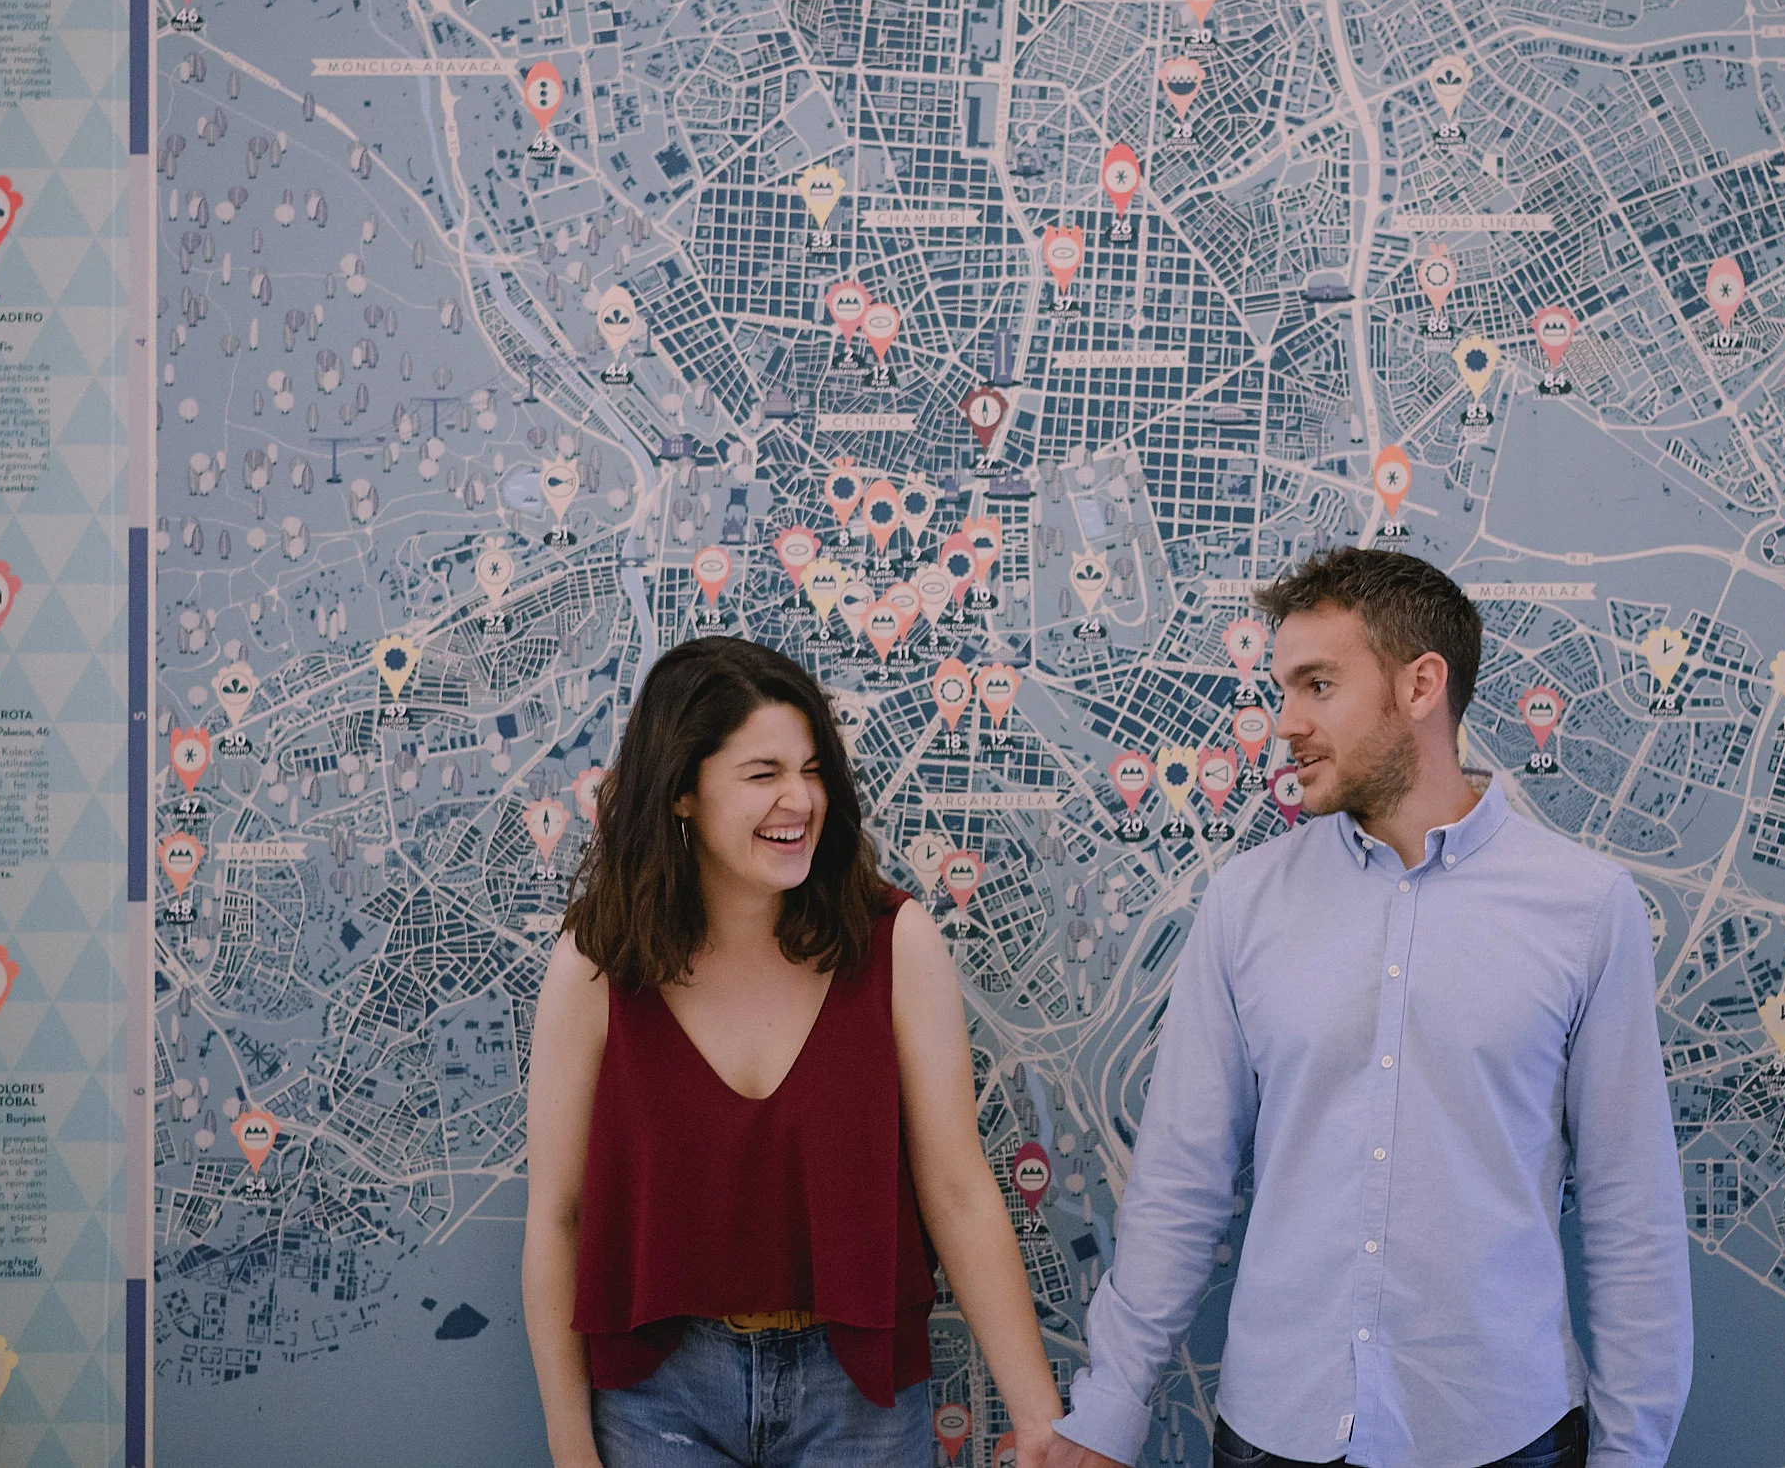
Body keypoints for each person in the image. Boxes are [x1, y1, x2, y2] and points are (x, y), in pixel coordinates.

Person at [1051, 548, 1693, 1468]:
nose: (1285, 724)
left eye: (1318, 684)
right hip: (1278, 1429)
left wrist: (1631, 1457)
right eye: (1282, 688)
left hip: (1502, 1432)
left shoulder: (1587, 909)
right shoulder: (1245, 904)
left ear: (1421, 684)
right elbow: (1180, 1187)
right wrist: (1108, 1410)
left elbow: (1634, 1219)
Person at [523, 636, 1064, 1467]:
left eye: (811, 770)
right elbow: (557, 1220)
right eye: (763, 773)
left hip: (857, 1393)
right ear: (682, 794)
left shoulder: (895, 942)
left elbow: (957, 1190)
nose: (800, 800)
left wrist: (1039, 1423)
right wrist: (569, 1448)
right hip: (656, 1392)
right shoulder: (595, 963)